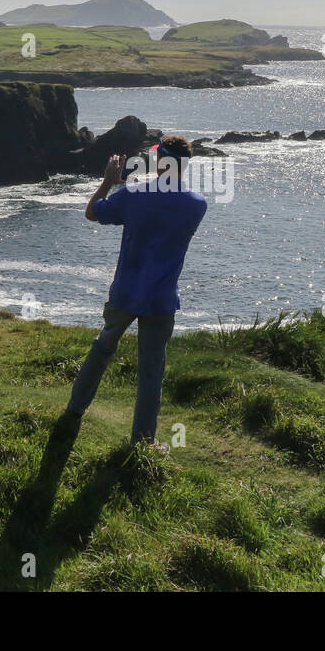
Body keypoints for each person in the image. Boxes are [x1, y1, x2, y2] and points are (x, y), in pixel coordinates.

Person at [62, 136, 208, 451]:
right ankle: (142, 442)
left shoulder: (133, 194)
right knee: (152, 370)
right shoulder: (197, 204)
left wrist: (108, 183)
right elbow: (163, 204)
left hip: (126, 292)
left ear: (160, 161)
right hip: (161, 298)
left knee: (102, 348)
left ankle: (74, 411)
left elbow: (93, 212)